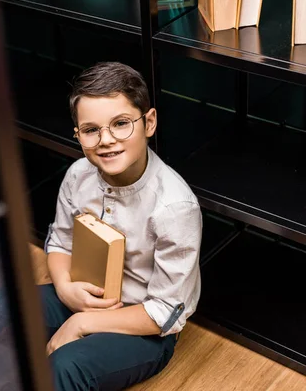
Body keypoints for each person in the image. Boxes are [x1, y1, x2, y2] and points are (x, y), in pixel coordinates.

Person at [41, 62, 202, 390]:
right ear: (78, 135)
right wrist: (64, 288)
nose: (106, 140)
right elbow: (60, 242)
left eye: (121, 124)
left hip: (143, 326)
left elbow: (168, 314)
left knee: (65, 366)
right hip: (82, 290)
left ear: (149, 123)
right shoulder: (77, 175)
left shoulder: (174, 207)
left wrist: (82, 323)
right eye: (91, 129)